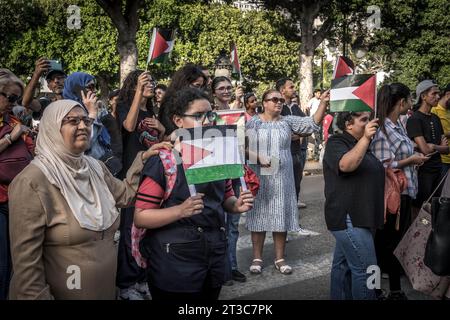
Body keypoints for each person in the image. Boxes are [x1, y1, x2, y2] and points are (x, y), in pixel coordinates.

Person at [7, 99, 167, 299]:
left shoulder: (94, 168)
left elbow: (126, 195)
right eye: (72, 121)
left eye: (86, 121)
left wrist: (143, 159)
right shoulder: (32, 181)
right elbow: (27, 268)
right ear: (51, 128)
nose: (83, 126)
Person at [134, 87, 254, 300]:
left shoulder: (219, 154)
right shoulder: (164, 161)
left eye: (210, 114)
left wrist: (236, 205)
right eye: (198, 116)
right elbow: (141, 216)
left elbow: (226, 197)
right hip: (174, 264)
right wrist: (180, 211)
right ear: (178, 121)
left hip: (214, 256)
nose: (207, 121)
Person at [245, 88, 327, 275]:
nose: (279, 102)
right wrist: (259, 158)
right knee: (258, 214)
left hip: (283, 177)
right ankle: (257, 257)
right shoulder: (254, 123)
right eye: (274, 99)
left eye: (280, 100)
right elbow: (243, 148)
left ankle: (279, 258)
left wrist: (323, 102)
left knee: (280, 214)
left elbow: (312, 123)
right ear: (264, 103)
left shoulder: (287, 122)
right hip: (260, 176)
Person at [371, 83, 429, 300]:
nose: (411, 104)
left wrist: (414, 158)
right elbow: (383, 164)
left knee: (393, 244)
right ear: (401, 102)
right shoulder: (382, 128)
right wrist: (411, 160)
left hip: (404, 193)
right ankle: (378, 289)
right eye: (409, 100)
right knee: (384, 246)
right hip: (391, 196)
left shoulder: (398, 125)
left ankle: (393, 290)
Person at [323, 111, 384, 300]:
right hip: (348, 217)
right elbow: (346, 165)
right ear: (349, 124)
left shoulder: (363, 145)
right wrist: (365, 138)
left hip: (363, 216)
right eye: (364, 120)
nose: (369, 123)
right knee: (368, 269)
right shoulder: (337, 142)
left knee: (343, 267)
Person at [116, 69, 163, 300]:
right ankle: (127, 284)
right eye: (145, 81)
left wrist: (162, 128)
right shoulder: (126, 106)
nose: (151, 84)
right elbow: (128, 126)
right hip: (132, 176)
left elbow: (159, 143)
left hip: (151, 176)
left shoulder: (152, 111)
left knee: (146, 231)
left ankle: (143, 279)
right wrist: (137, 93)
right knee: (129, 230)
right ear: (133, 85)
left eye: (151, 81)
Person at [0, 69, 33, 300]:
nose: (12, 104)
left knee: (15, 259)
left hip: (16, 198)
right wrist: (10, 138)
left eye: (16, 100)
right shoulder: (12, 126)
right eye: (9, 98)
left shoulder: (12, 120)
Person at [406, 80, 449, 210]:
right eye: (434, 93)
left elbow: (447, 149)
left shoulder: (435, 118)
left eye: (438, 93)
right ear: (423, 96)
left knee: (437, 207)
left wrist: (434, 146)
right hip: (423, 172)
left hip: (439, 168)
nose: (437, 96)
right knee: (421, 208)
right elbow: (425, 150)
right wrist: (437, 147)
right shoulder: (414, 119)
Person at [276, 78, 311, 219]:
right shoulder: (277, 108)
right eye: (291, 87)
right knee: (282, 188)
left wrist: (299, 133)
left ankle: (292, 219)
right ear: (282, 90)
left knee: (296, 185)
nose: (294, 89)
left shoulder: (296, 108)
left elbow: (308, 126)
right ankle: (281, 220)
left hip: (296, 153)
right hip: (280, 155)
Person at [431, 83, 450, 176]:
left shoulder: (448, 111)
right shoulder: (434, 110)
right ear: (448, 95)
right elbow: (433, 135)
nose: (437, 96)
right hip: (443, 160)